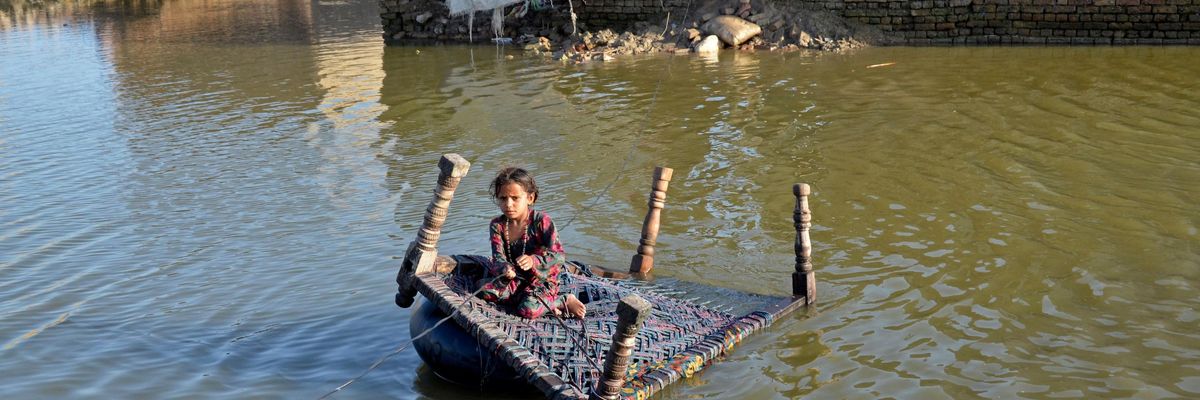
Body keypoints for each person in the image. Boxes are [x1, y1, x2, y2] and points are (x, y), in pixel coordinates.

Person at [477, 167, 586, 319]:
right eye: (503, 198)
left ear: (530, 198)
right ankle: (539, 303)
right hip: (515, 279)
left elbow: (558, 256)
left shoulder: (542, 222)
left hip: (541, 281)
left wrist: (533, 260)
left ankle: (562, 300)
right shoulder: (497, 225)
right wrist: (505, 269)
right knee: (484, 291)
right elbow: (498, 256)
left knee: (528, 310)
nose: (508, 204)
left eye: (515, 198)